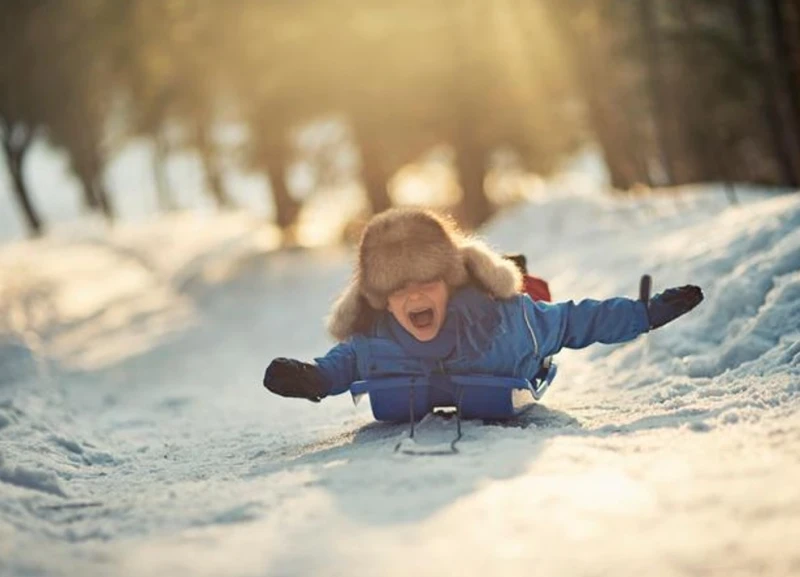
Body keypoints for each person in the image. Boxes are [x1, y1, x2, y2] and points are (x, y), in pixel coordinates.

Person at [262, 208, 704, 404]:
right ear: (381, 300)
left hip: (513, 334)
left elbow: (575, 320)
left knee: (532, 295)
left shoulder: (508, 325)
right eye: (399, 290)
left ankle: (520, 272)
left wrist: (645, 314)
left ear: (449, 283)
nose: (414, 297)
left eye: (426, 282)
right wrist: (314, 378)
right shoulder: (378, 338)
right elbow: (346, 362)